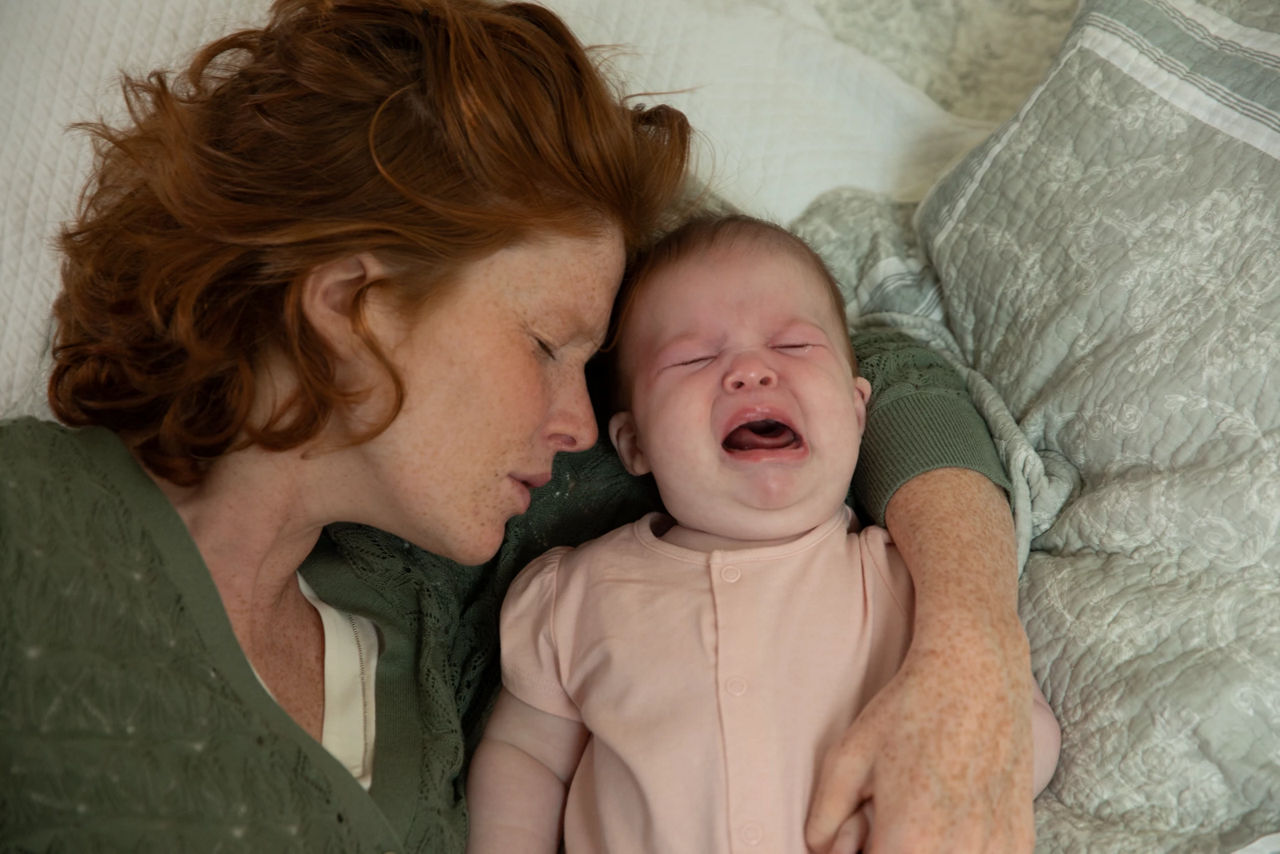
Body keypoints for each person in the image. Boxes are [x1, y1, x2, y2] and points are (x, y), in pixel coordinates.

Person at [0, 1, 1036, 852]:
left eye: (593, 368)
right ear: (352, 308)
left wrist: (965, 650)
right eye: (546, 346)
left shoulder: (438, 601)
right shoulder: (30, 525)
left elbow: (881, 369)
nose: (578, 418)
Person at [466, 215, 1061, 854]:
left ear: (858, 412)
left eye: (794, 346)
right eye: (694, 357)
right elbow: (526, 759)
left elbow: (1012, 721)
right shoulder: (573, 595)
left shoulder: (905, 580)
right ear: (634, 442)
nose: (750, 371)